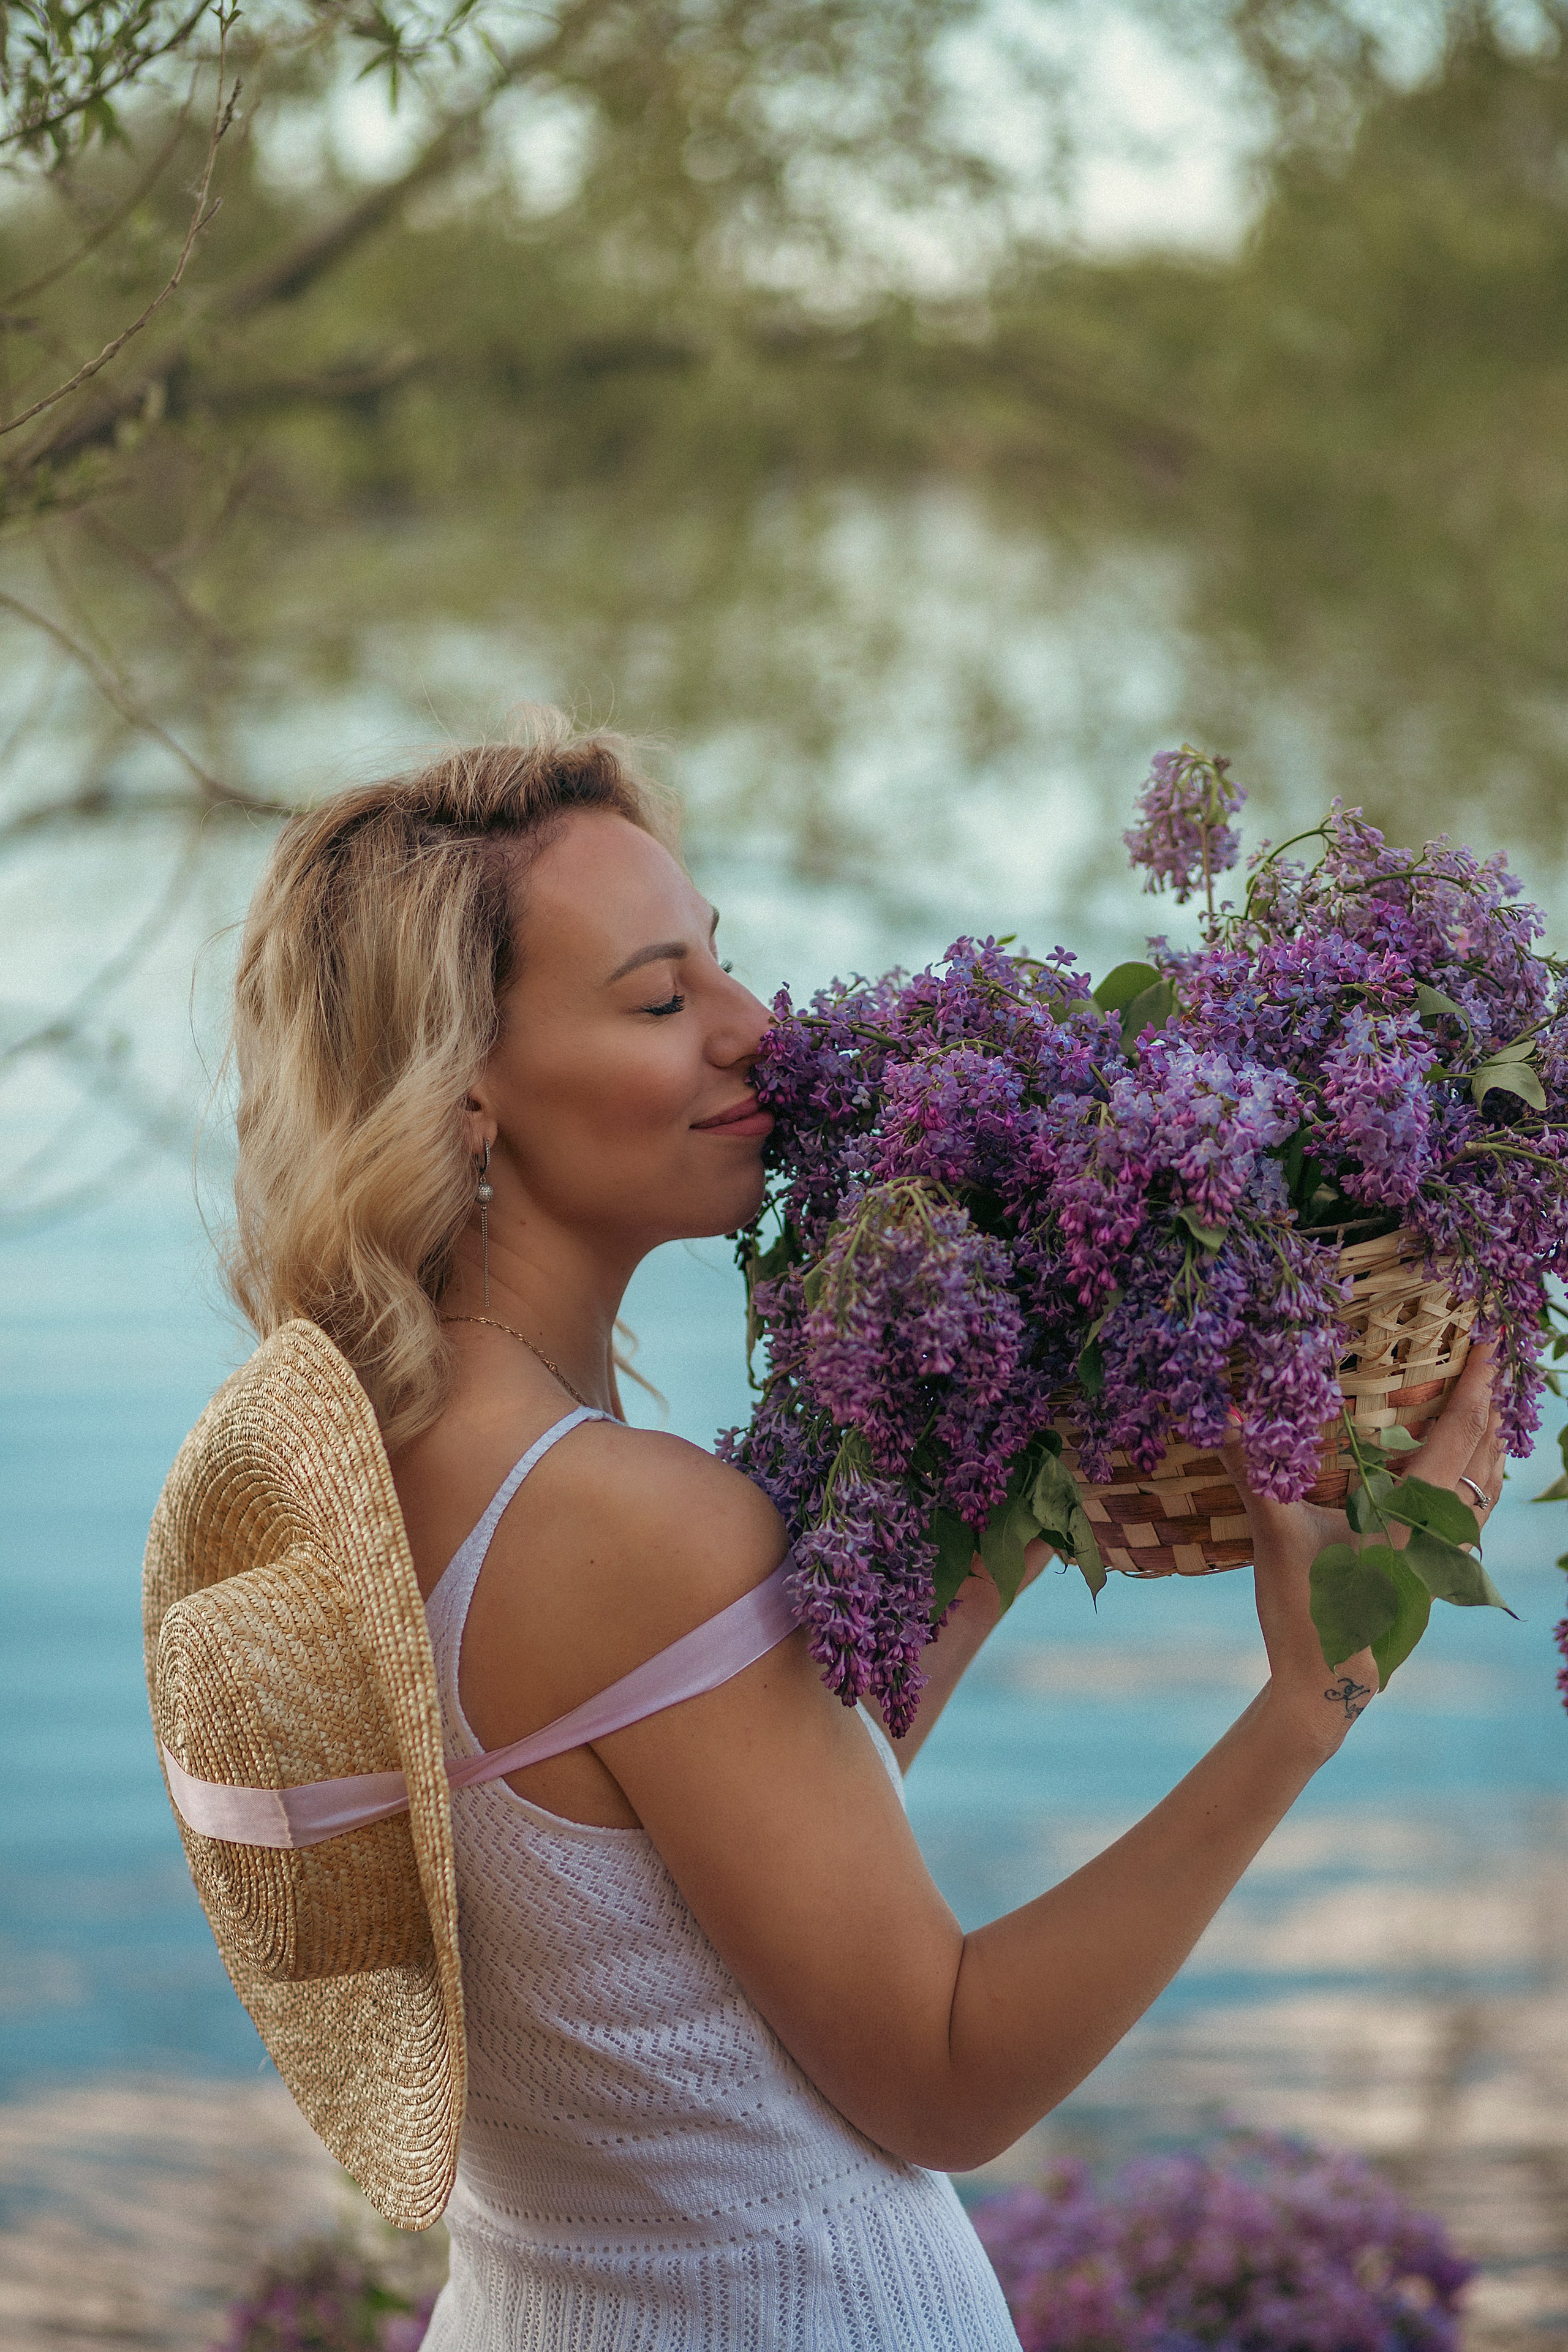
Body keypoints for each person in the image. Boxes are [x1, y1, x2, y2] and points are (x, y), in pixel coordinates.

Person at [223, 712, 1503, 2351]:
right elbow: (947, 2078)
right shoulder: (624, 1521)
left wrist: (1037, 1445)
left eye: (722, 961)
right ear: (465, 1090)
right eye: (661, 1000)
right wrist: (1308, 1707)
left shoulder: (371, 1467)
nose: (755, 1028)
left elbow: (737, 1836)